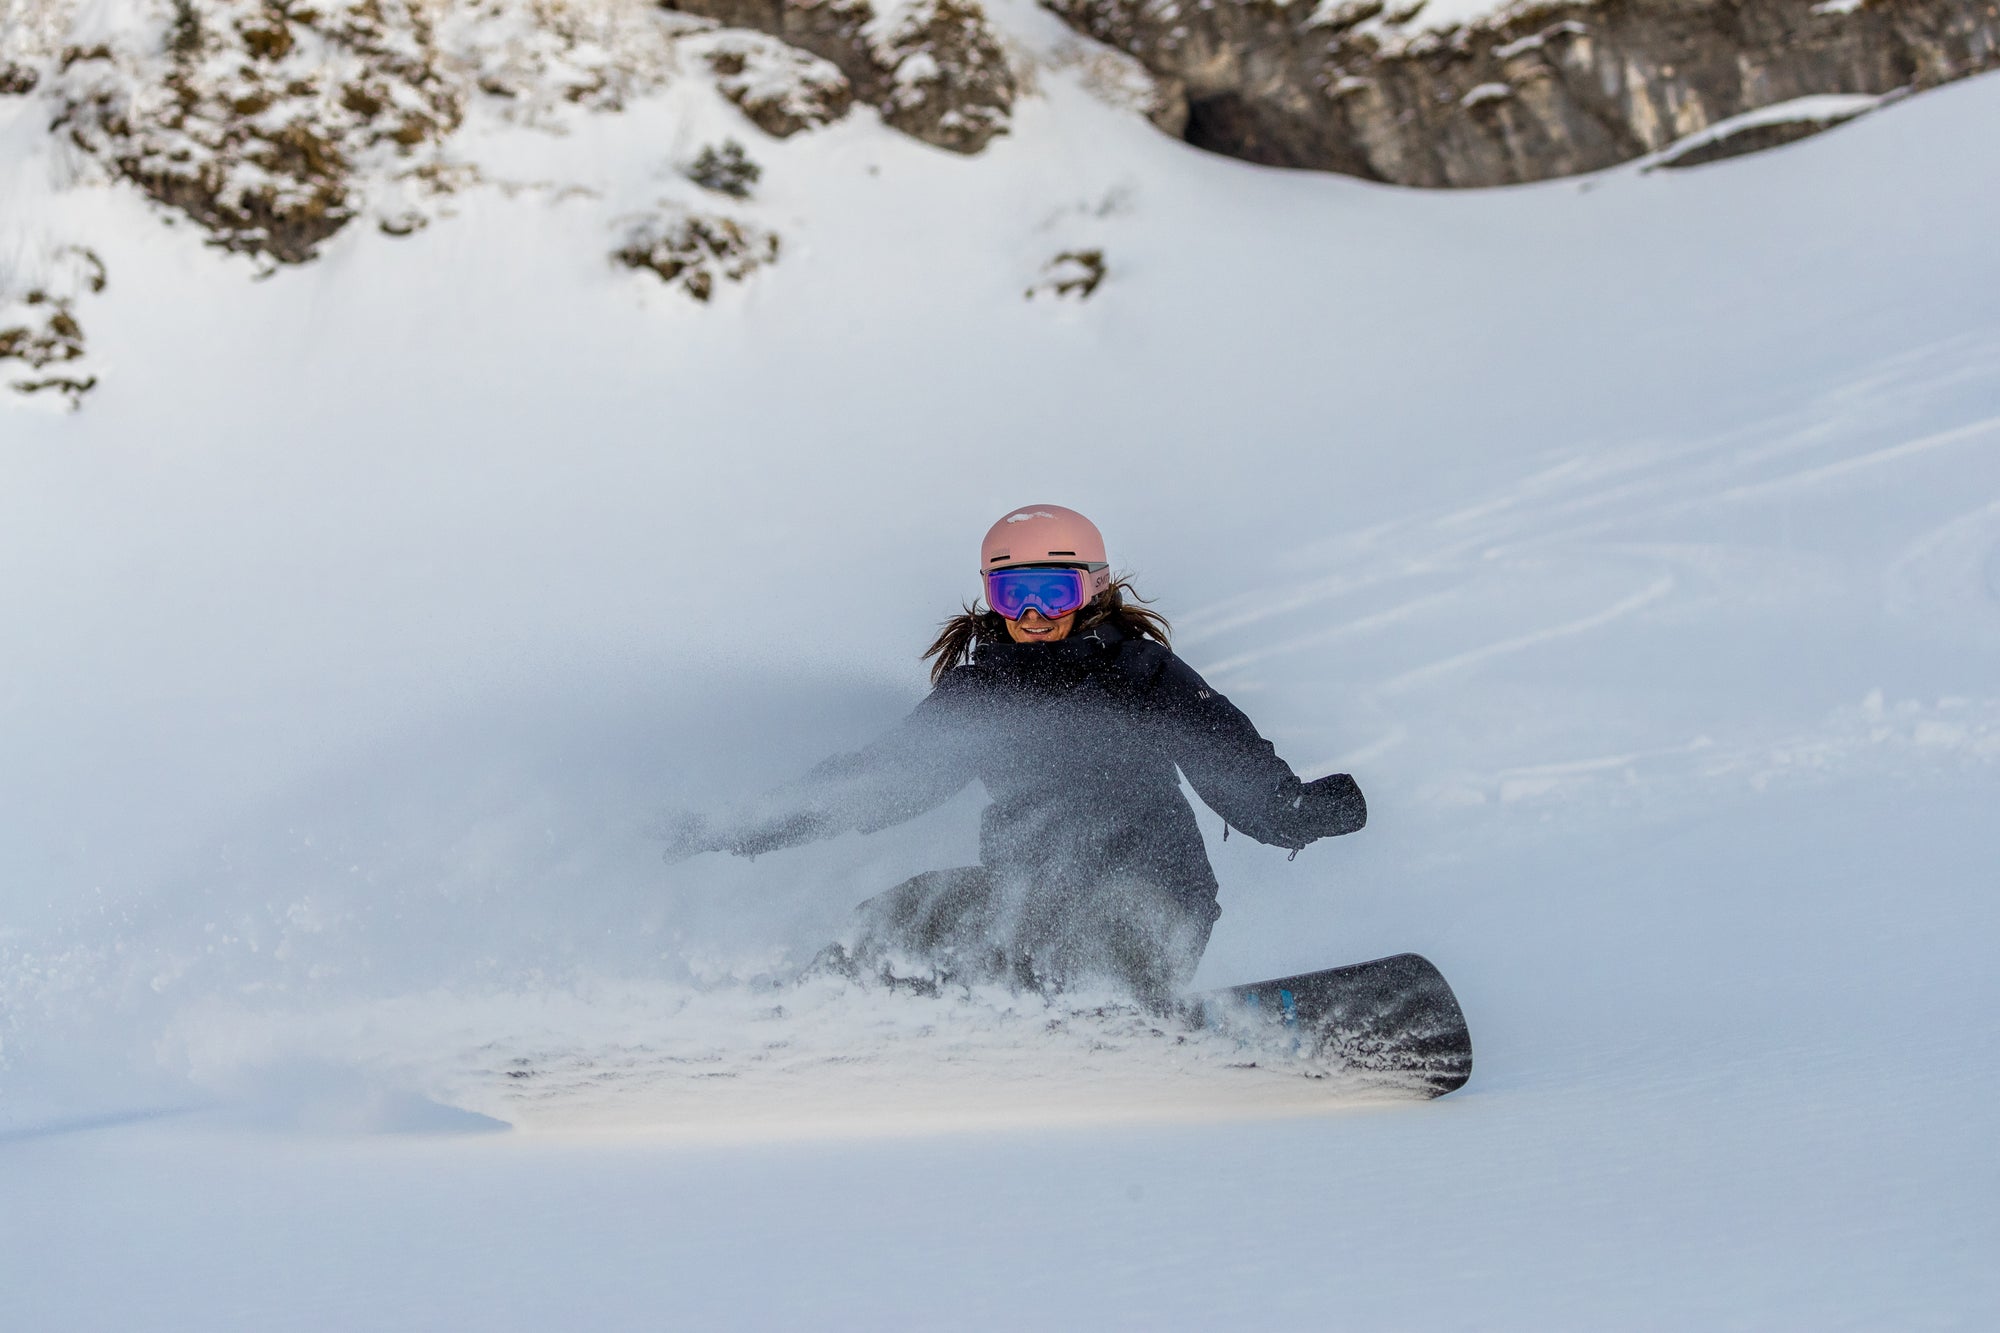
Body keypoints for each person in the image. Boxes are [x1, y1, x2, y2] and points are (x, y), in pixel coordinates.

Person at [664, 505, 1367, 1004]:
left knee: (1106, 925)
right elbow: (877, 782)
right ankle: (817, 1013)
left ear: (1092, 587)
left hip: (1156, 898)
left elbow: (1234, 768)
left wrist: (1301, 810)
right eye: (1013, 594)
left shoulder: (1142, 677)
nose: (1032, 616)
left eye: (1052, 591)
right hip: (1032, 901)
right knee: (910, 909)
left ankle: (1094, 1013)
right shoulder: (982, 699)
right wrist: (737, 826)